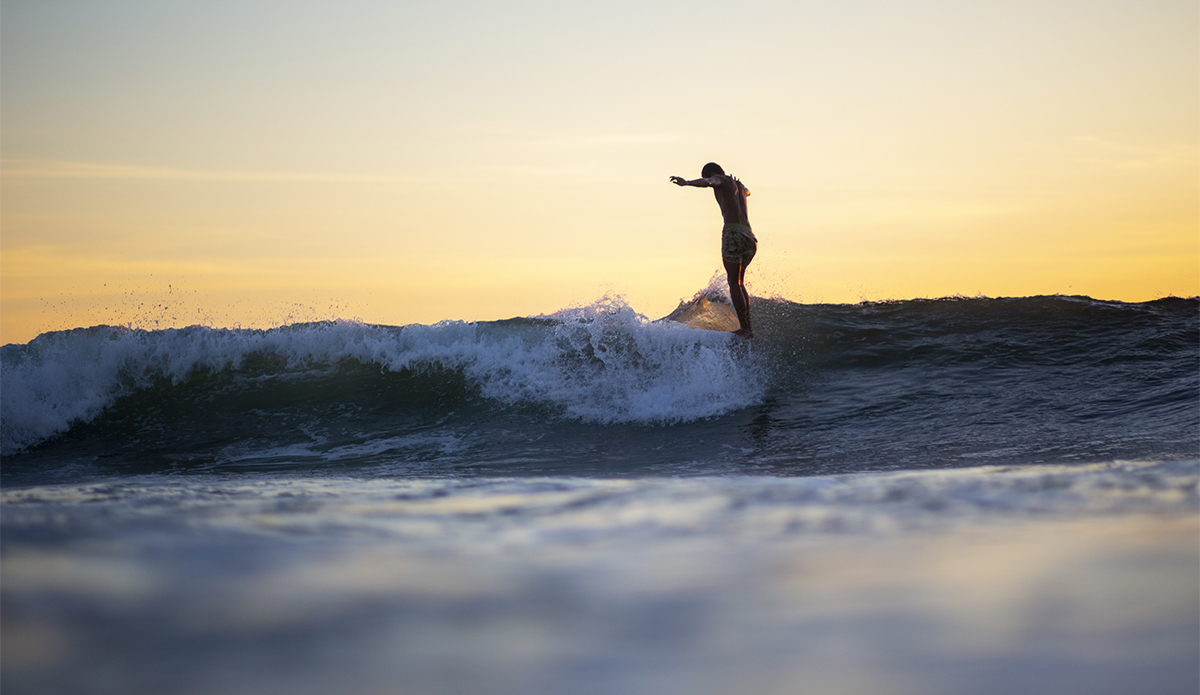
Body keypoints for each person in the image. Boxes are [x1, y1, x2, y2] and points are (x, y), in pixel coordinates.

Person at [670, 162, 757, 338]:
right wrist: (739, 186)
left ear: (711, 174)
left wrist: (687, 182)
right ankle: (747, 327)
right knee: (739, 282)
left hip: (733, 232)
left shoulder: (720, 180)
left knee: (734, 282)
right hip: (750, 237)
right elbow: (748, 192)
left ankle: (746, 329)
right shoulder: (739, 186)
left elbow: (710, 182)